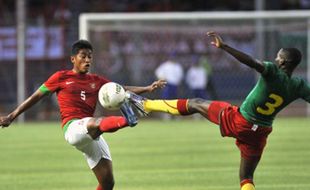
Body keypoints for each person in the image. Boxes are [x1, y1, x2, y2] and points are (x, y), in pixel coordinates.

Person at [127, 31, 310, 190]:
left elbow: (252, 62)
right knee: (246, 177)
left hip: (240, 120)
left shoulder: (272, 71)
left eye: (278, 57)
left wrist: (224, 47)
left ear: (283, 62)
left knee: (196, 103)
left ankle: (146, 105)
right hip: (260, 133)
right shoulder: (300, 85)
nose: (275, 58)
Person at [0, 39, 166, 190]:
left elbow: (121, 89)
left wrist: (147, 88)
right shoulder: (60, 77)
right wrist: (12, 116)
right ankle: (127, 119)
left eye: (90, 57)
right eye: (83, 56)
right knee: (95, 122)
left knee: (108, 183)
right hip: (73, 128)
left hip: (91, 135)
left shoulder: (97, 80)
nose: (87, 60)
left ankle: (125, 119)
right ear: (73, 59)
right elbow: (36, 96)